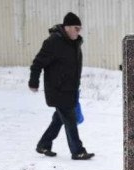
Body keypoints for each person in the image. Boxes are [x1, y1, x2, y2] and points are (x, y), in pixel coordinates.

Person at [29, 12, 94, 160]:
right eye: (76, 28)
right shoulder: (53, 42)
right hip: (58, 89)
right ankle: (78, 151)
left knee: (59, 119)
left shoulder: (74, 43)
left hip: (70, 89)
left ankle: (44, 144)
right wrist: (34, 81)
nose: (79, 32)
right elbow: (37, 63)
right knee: (70, 120)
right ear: (67, 27)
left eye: (80, 29)